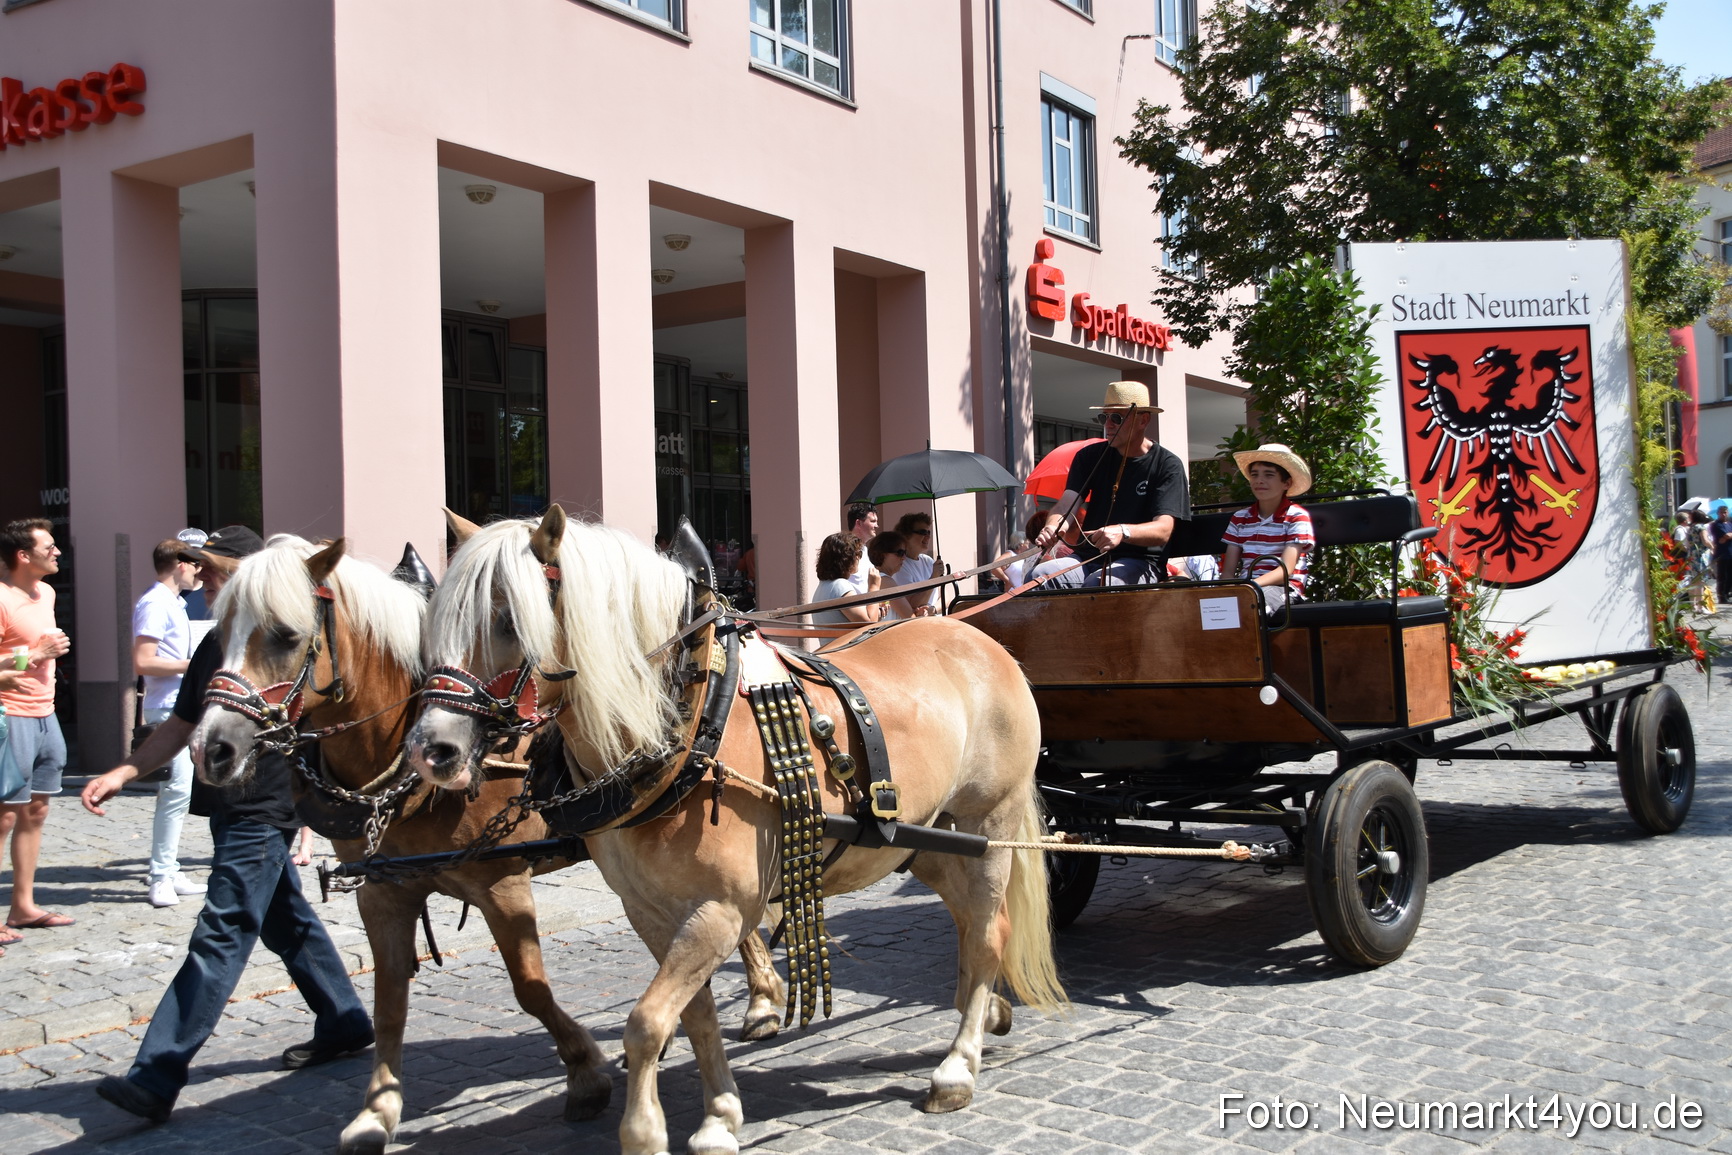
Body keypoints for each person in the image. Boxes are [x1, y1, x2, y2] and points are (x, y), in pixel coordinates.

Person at [82, 525, 372, 1125]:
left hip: (265, 805)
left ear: (248, 572)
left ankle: (157, 1072)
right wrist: (125, 770)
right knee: (285, 921)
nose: (204, 580)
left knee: (225, 926)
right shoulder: (219, 641)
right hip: (228, 805)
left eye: (215, 569)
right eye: (202, 569)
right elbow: (183, 721)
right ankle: (345, 1020)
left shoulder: (275, 633)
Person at [1030, 382, 1189, 587]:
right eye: (1104, 417)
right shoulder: (1089, 457)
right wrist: (1053, 527)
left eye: (1117, 418)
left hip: (1141, 561)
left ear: (1143, 420)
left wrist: (1123, 532)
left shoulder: (1167, 464)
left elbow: (1163, 529)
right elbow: (1066, 504)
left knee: (1101, 583)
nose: (1108, 424)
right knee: (1040, 575)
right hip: (1088, 558)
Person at [0, 517, 74, 939]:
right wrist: (37, 654)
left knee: (36, 810)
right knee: (4, 817)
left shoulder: (44, 592)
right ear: (23, 555)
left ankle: (23, 907)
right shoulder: (2, 599)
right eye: (49, 546)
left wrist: (42, 655)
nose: (57, 552)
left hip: (46, 714)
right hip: (10, 716)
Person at [134, 539, 207, 908]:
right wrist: (192, 665)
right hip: (166, 710)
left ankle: (169, 868)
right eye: (194, 563)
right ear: (180, 564)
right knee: (175, 793)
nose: (199, 570)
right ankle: (160, 875)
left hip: (178, 707)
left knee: (181, 794)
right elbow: (143, 662)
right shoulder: (155, 603)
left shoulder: (173, 603)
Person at [1220, 444, 1316, 615]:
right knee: (1212, 608)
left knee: (1255, 604)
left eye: (1269, 475)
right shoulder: (1240, 518)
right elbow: (1228, 571)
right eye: (1254, 475)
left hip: (1284, 588)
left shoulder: (1296, 516)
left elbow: (1285, 570)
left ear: (1286, 483)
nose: (1259, 480)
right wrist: (1226, 592)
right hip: (1247, 588)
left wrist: (1249, 585)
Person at [811, 533, 887, 626]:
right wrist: (874, 587)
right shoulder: (840, 586)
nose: (859, 558)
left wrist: (877, 612)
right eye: (857, 554)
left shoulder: (824, 586)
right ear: (847, 558)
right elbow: (868, 624)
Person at [890, 512, 940, 613]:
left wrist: (933, 610)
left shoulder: (928, 561)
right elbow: (913, 603)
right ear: (906, 535)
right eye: (922, 532)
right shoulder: (900, 565)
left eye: (928, 532)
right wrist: (934, 578)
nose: (927, 536)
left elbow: (945, 596)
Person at [866, 532, 922, 619]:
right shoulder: (885, 580)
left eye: (905, 553)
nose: (904, 557)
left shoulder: (878, 578)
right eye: (900, 553)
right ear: (883, 554)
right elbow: (909, 617)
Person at [844, 503, 879, 594]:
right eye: (872, 521)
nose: (876, 526)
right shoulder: (846, 550)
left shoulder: (864, 549)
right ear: (858, 523)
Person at [1709, 506, 1732, 611]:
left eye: (1725, 512)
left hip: (1731, 552)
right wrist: (1726, 536)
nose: (1724, 514)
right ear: (1718, 513)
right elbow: (1724, 536)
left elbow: (1727, 536)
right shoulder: (1715, 524)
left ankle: (1728, 594)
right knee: (1722, 576)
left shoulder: (1730, 524)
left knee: (1730, 576)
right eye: (1722, 512)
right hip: (1722, 554)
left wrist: (1727, 536)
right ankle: (1722, 596)